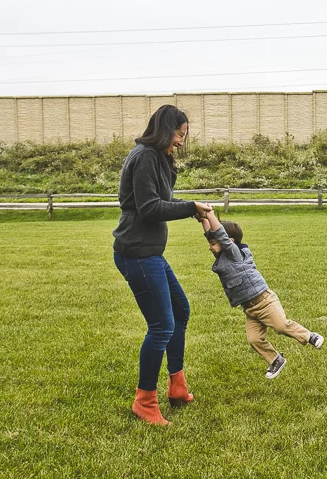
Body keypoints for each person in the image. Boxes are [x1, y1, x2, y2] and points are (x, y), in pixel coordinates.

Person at [112, 105, 213, 425]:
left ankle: (177, 386)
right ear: (164, 129)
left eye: (184, 135)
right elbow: (149, 207)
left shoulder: (154, 157)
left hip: (149, 252)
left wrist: (190, 207)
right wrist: (190, 207)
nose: (182, 141)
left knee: (180, 311)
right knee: (161, 326)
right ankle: (144, 401)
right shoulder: (143, 157)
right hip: (137, 253)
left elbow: (159, 199)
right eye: (179, 134)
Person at [196, 209, 324, 379]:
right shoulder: (223, 255)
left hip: (264, 301)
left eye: (213, 243)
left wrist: (210, 213)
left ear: (230, 241)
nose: (210, 247)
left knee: (280, 326)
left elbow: (220, 235)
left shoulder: (234, 253)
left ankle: (310, 336)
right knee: (254, 340)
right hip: (250, 309)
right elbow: (212, 234)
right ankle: (275, 359)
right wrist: (203, 219)